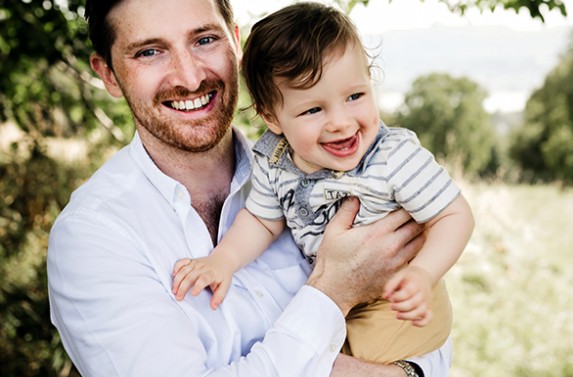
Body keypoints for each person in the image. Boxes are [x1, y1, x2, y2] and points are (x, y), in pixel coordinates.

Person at [46, 0, 456, 375]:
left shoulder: (327, 163)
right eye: (149, 52)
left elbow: (428, 336)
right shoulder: (92, 237)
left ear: (234, 44)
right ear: (108, 75)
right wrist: (334, 289)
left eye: (205, 40)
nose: (189, 77)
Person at [171, 1, 475, 365]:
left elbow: (454, 215)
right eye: (314, 110)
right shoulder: (276, 163)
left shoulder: (393, 156)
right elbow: (261, 222)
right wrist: (223, 260)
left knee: (323, 364)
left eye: (355, 96)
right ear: (273, 117)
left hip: (394, 305)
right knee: (305, 353)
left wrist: (423, 274)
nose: (342, 122)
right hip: (340, 304)